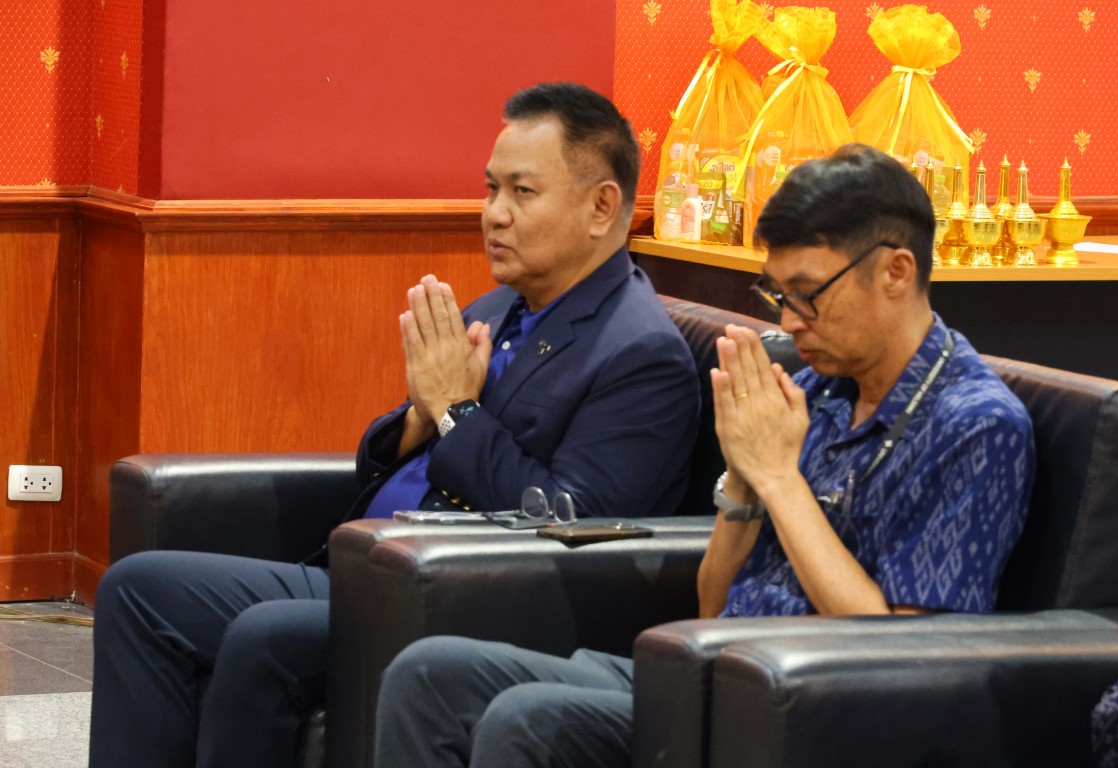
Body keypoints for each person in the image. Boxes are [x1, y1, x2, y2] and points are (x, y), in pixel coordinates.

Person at [88, 82, 700, 768]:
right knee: (137, 591)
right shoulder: (497, 308)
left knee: (266, 636)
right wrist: (420, 416)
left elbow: (574, 525)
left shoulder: (639, 354)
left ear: (601, 206)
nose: (494, 214)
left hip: (454, 596)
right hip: (365, 563)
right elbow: (388, 455)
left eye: (522, 192)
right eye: (490, 188)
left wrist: (456, 410)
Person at [373, 144, 1037, 767]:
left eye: (808, 294)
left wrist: (778, 479)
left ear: (896, 272)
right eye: (777, 296)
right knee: (429, 676)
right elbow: (713, 605)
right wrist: (743, 483)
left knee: (528, 719)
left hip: (803, 711)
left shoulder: (976, 425)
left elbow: (900, 660)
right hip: (715, 667)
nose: (789, 322)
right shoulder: (815, 392)